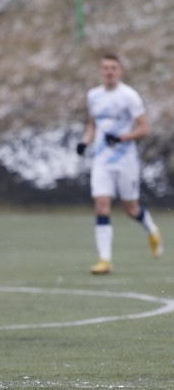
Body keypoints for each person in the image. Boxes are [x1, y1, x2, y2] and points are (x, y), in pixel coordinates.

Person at [76, 54, 162, 275]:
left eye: (113, 68)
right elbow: (92, 125)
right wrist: (85, 142)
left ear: (120, 71)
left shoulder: (129, 96)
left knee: (130, 208)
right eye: (105, 68)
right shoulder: (93, 96)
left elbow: (145, 128)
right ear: (100, 71)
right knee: (101, 204)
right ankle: (105, 260)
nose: (109, 72)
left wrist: (122, 138)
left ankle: (152, 231)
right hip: (102, 160)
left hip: (125, 160)